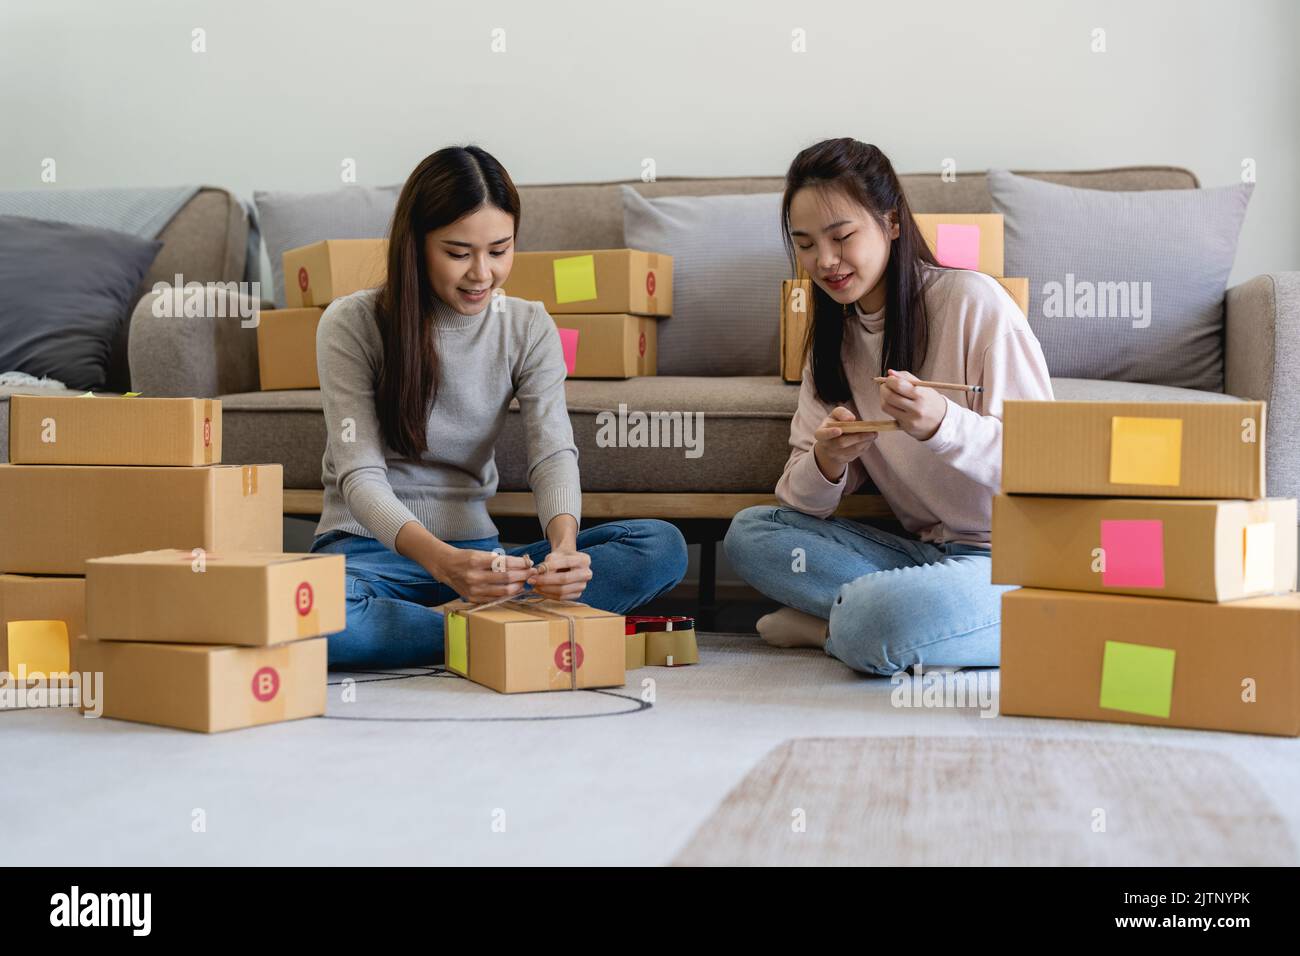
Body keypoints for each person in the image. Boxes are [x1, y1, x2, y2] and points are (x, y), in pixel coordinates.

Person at [309, 145, 688, 668]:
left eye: (500, 250)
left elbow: (553, 452)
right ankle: (488, 630)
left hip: (489, 565)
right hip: (371, 556)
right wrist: (444, 566)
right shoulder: (351, 323)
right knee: (319, 620)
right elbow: (360, 477)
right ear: (415, 245)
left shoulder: (528, 324)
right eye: (458, 252)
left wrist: (563, 550)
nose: (481, 273)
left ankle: (468, 626)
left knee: (660, 545)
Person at [724, 137, 1054, 676]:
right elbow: (799, 502)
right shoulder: (831, 340)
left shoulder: (973, 303)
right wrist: (828, 461)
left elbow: (1047, 468)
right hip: (923, 559)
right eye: (805, 244)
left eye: (842, 236)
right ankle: (896, 624)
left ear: (892, 223)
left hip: (1016, 560)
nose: (824, 261)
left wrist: (944, 424)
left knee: (878, 618)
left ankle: (836, 629)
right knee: (752, 534)